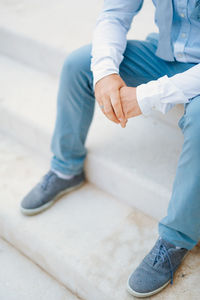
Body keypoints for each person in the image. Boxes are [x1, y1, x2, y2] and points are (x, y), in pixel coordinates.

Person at [20, 0, 200, 297]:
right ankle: (66, 168)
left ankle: (177, 238)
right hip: (165, 55)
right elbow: (114, 15)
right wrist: (105, 74)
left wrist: (145, 97)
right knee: (79, 65)